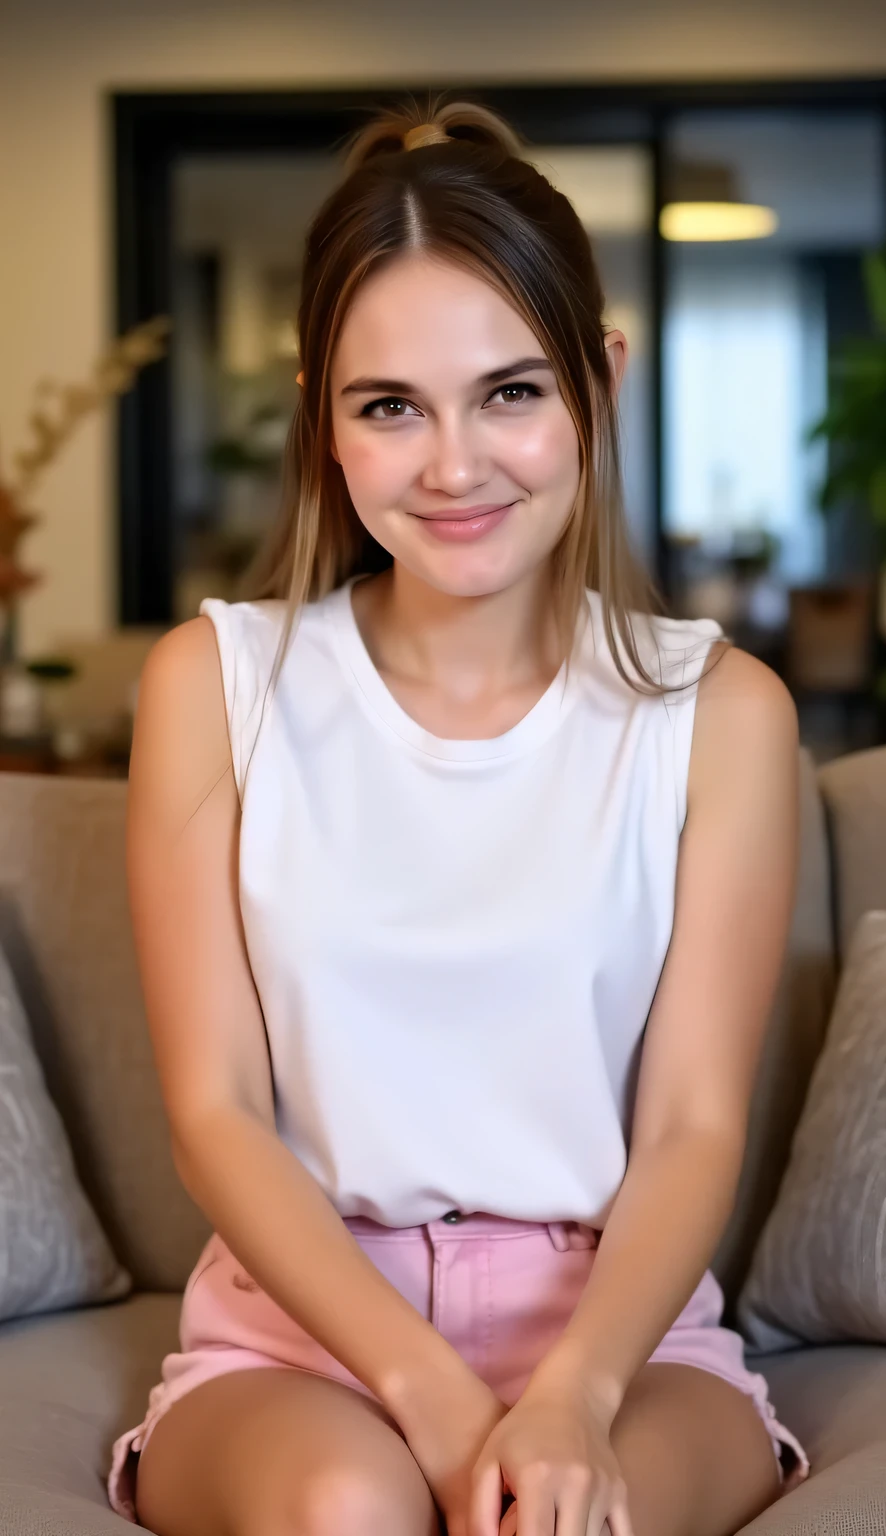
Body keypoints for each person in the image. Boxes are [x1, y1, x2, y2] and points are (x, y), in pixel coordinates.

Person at [107, 94, 809, 1536]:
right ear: (325, 417)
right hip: (307, 1341)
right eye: (389, 408)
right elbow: (215, 1115)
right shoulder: (213, 686)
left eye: (510, 391)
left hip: (624, 1338)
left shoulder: (724, 716)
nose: (453, 465)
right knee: (354, 1515)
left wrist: (573, 1398)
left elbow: (690, 1125)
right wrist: (433, 1400)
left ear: (598, 382)